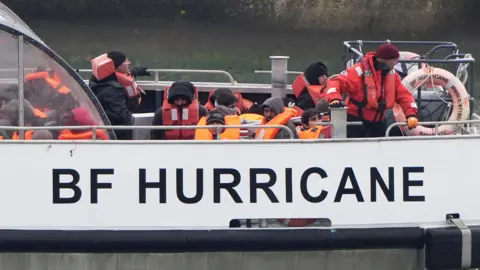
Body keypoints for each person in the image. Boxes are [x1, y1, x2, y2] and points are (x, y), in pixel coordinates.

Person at [325, 43, 419, 138]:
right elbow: (335, 82)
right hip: (356, 121)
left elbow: (404, 95)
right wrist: (334, 99)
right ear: (385, 60)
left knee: (380, 149)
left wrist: (411, 114)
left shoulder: (392, 75)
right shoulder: (358, 72)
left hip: (378, 121)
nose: (396, 63)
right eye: (394, 60)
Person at [89, 51, 149, 140]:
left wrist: (134, 72)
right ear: (119, 66)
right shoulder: (113, 90)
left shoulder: (100, 80)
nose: (129, 63)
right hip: (117, 135)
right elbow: (121, 117)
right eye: (125, 61)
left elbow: (118, 76)